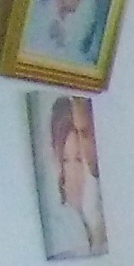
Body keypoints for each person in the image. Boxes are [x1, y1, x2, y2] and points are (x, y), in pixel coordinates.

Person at [46, 93, 105, 254]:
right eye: (65, 161)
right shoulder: (61, 225)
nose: (72, 174)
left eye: (79, 160)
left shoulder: (98, 214)